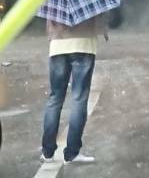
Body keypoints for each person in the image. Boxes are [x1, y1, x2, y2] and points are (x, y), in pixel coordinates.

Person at [41, 11, 110, 164]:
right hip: (84, 45)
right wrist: (103, 28)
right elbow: (100, 12)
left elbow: (48, 14)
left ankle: (47, 152)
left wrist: (52, 35)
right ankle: (71, 153)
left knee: (55, 98)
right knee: (79, 98)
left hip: (58, 45)